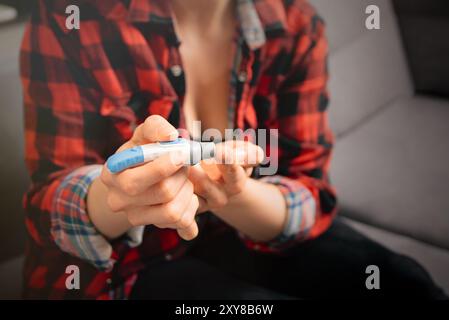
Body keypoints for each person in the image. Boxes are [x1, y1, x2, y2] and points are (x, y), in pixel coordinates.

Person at [21, 0, 446, 299]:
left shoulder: (297, 24)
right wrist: (118, 192)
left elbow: (310, 194)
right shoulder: (71, 18)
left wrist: (236, 194)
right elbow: (47, 205)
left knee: (406, 283)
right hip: (127, 266)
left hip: (243, 228)